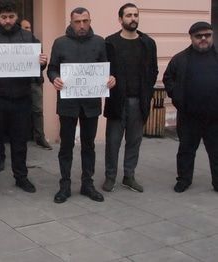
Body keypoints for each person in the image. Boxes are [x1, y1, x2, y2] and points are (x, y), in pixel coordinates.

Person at [0, 0, 48, 194]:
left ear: (17, 17)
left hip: (21, 97)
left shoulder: (28, 36)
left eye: (11, 17)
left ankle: (21, 177)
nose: (8, 21)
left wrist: (42, 62)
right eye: (4, 17)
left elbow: (38, 66)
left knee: (20, 140)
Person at [47, 7, 116, 203]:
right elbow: (51, 69)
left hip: (91, 103)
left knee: (89, 145)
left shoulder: (99, 42)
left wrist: (111, 79)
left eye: (85, 21)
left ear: (90, 21)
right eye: (77, 22)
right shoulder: (60, 43)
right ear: (71, 22)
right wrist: (55, 79)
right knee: (66, 146)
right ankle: (65, 185)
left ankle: (88, 184)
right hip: (68, 103)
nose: (82, 25)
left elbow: (106, 68)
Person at [102, 3, 158, 193]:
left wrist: (147, 92)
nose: (133, 18)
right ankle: (110, 177)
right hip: (117, 101)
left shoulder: (148, 43)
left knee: (134, 141)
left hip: (139, 101)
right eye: (128, 15)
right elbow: (102, 69)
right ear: (120, 19)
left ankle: (129, 176)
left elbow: (154, 69)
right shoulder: (109, 42)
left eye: (135, 15)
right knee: (113, 142)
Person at [163, 21, 218, 193]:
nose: (203, 39)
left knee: (216, 152)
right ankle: (184, 180)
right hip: (189, 115)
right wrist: (177, 97)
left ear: (212, 36)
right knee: (186, 150)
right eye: (198, 36)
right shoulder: (180, 59)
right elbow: (168, 79)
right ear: (191, 38)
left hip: (215, 116)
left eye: (207, 35)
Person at [20, 19, 52, 150]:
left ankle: (40, 137)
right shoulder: (14, 43)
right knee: (19, 111)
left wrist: (43, 61)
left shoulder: (36, 42)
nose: (27, 30)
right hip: (20, 83)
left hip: (34, 81)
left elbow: (43, 65)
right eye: (24, 28)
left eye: (29, 28)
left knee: (38, 110)